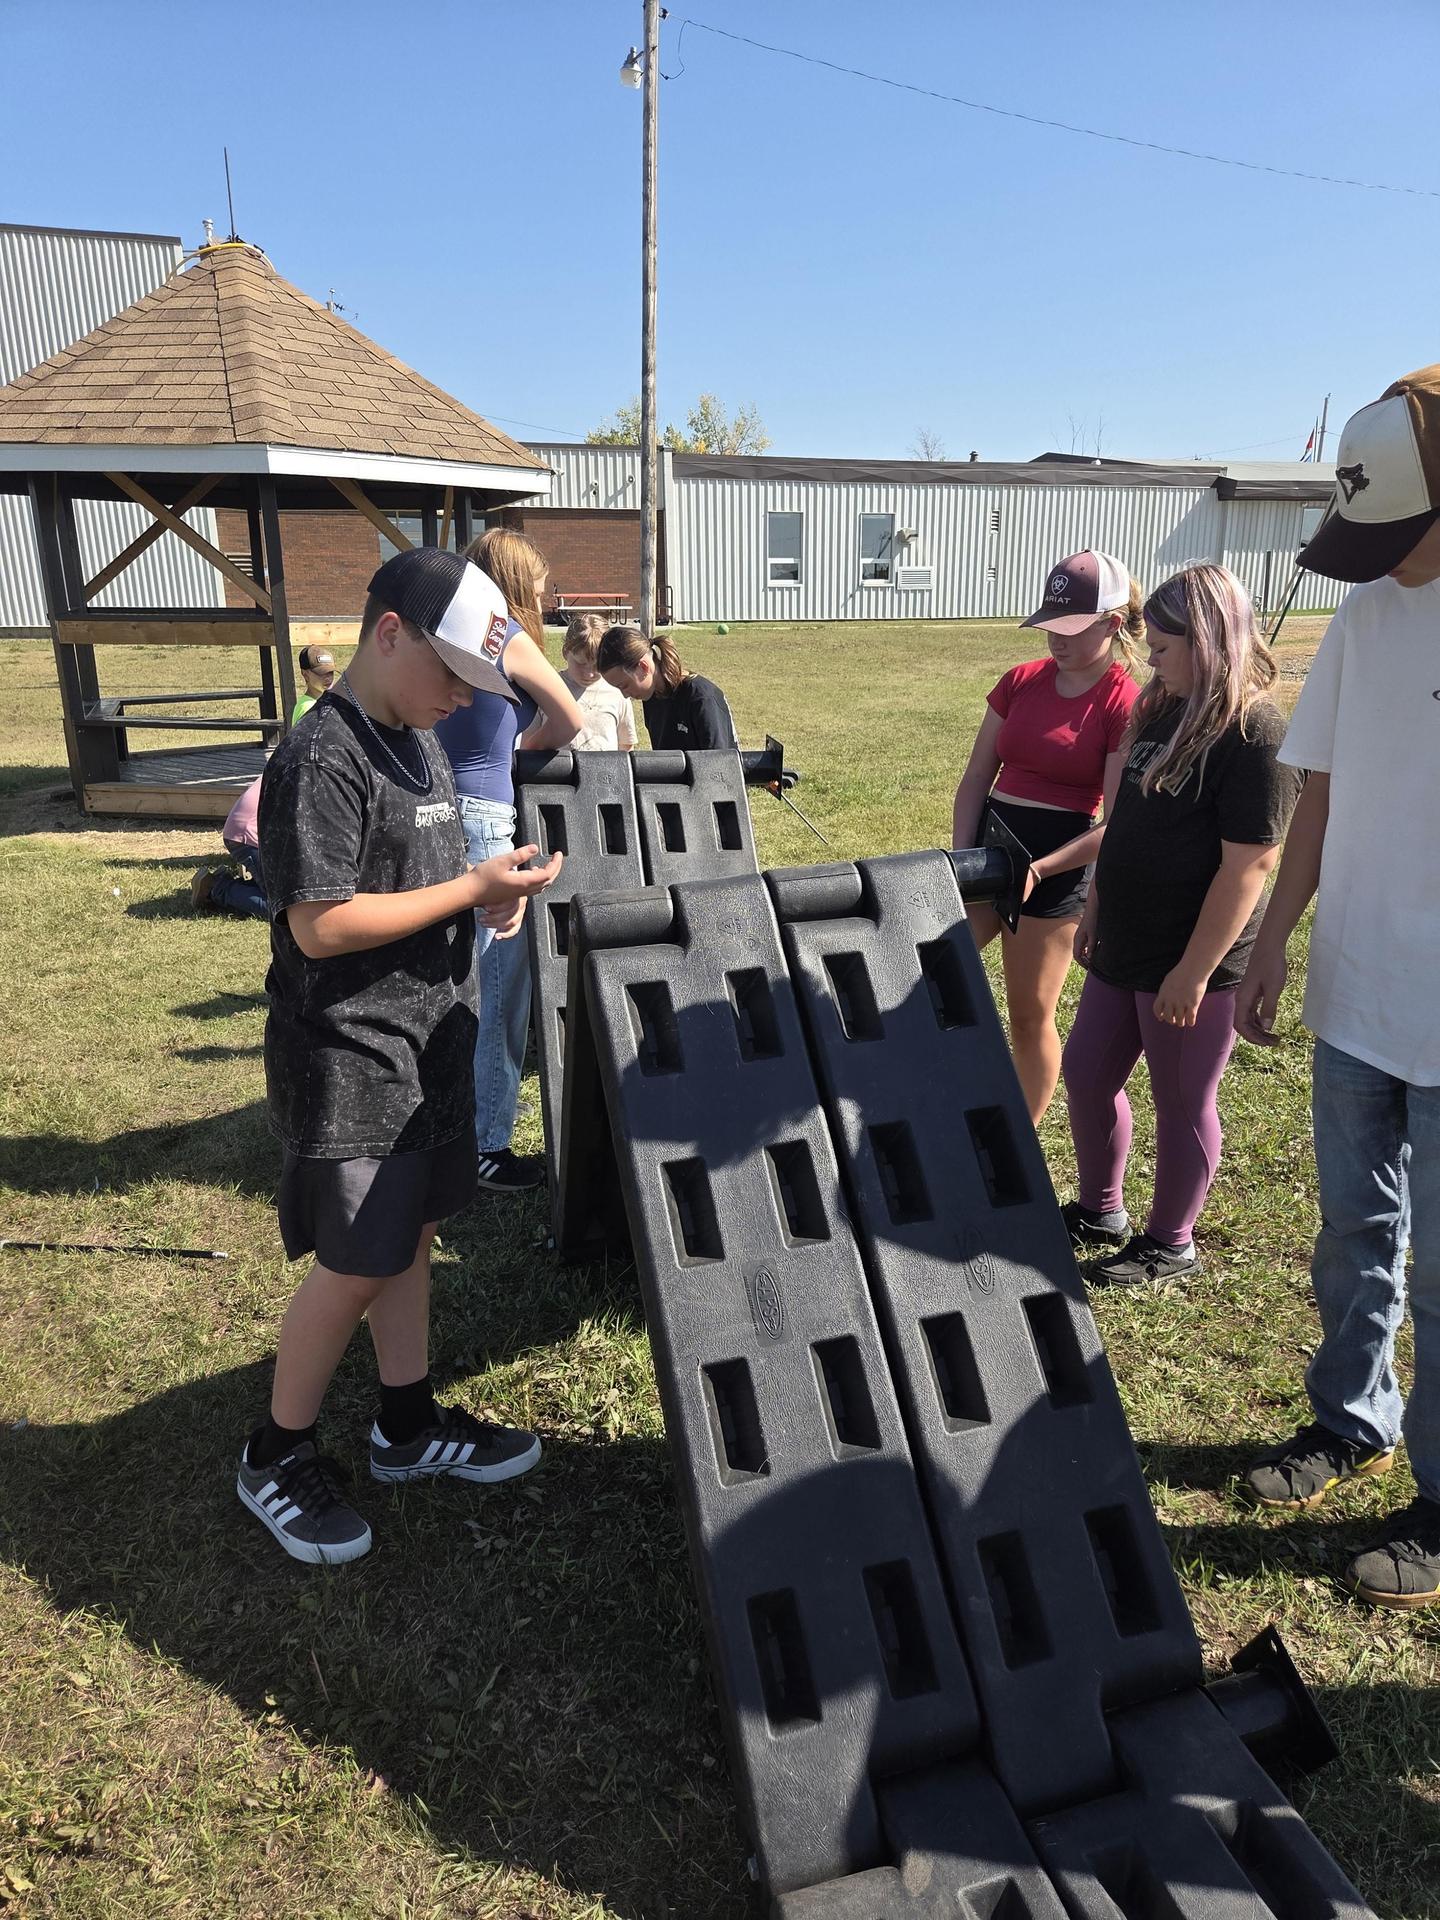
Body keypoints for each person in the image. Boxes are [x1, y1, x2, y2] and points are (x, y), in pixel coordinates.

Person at [236, 547, 563, 1566]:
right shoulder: (323, 756)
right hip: (350, 1057)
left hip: (423, 1046)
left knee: (411, 1236)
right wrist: (467, 894)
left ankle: (407, 1424)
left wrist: (486, 886)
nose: (460, 701)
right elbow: (320, 924)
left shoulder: (411, 733)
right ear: (389, 635)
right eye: (452, 678)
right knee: (354, 1265)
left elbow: (419, 872)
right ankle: (275, 1453)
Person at [1235, 363, 1440, 1608]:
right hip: (1359, 998)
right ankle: (1350, 1417)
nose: (1374, 560)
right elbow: (1316, 790)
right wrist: (1269, 942)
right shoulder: (1369, 616)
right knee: (1356, 1234)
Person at [1060, 562, 1300, 1287]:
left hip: (1192, 960)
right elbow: (1124, 820)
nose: (1152, 661)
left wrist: (1192, 973)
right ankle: (1102, 1210)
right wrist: (1095, 904)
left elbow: (1249, 868)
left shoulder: (1257, 735)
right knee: (1086, 1072)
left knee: (1181, 1099)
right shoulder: (1163, 706)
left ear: (1210, 640)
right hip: (1125, 937)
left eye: (1164, 648)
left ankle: (1171, 1243)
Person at [951, 550, 1143, 1123]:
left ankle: (1022, 1136)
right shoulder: (1019, 682)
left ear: (1112, 623)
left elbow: (1116, 823)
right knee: (926, 967)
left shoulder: (1123, 701)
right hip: (988, 856)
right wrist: (963, 861)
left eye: (1071, 627)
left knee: (1031, 1011)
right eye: (1049, 624)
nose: (1054, 639)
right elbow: (974, 781)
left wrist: (1044, 867)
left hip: (1056, 870)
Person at [435, 529, 584, 1194]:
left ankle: (443, 1126)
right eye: (542, 583)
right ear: (520, 583)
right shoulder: (504, 636)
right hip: (484, 823)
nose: (548, 596)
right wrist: (526, 744)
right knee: (498, 989)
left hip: (437, 815)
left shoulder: (451, 635)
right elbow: (571, 719)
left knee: (450, 978)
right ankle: (488, 1148)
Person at [596, 625, 738, 749]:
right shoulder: (652, 698)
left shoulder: (701, 697)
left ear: (643, 667)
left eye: (624, 685)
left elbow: (720, 767)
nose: (625, 695)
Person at [190, 775, 267, 918]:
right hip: (250, 837)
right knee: (285, 908)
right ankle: (216, 888)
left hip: (245, 833)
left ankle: (227, 884)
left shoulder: (291, 763)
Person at [561, 613, 638, 752]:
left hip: (607, 773)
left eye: (598, 665)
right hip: (560, 773)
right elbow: (529, 748)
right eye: (581, 663)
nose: (589, 674)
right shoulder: (549, 688)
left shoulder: (616, 692)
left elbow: (626, 747)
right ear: (565, 652)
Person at [291, 645, 337, 725]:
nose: (328, 678)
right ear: (305, 674)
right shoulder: (308, 708)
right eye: (321, 672)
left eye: (330, 672)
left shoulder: (324, 702)